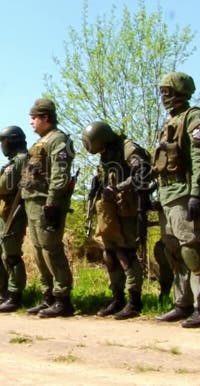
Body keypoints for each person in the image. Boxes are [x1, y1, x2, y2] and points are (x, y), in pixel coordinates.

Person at [152, 72, 200, 328]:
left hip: (184, 192)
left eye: (167, 91)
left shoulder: (194, 117)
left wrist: (196, 194)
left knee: (191, 249)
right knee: (172, 251)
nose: (164, 96)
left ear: (180, 91)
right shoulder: (168, 122)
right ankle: (182, 303)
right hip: (166, 193)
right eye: (162, 92)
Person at [82, 121, 153, 320]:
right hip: (109, 212)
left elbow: (143, 172)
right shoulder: (106, 154)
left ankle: (134, 301)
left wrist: (118, 188)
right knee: (110, 255)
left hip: (127, 210)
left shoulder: (127, 148)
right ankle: (117, 298)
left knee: (126, 255)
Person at [20, 98, 76, 318]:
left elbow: (60, 174)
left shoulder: (59, 140)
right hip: (32, 202)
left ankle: (63, 299)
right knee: (38, 251)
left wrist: (52, 202)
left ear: (45, 117)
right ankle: (48, 296)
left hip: (46, 203)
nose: (31, 122)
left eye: (34, 118)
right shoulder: (40, 142)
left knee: (51, 250)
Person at [0, 126, 29, 313]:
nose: (2, 145)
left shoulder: (21, 160)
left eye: (4, 141)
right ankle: (2, 292)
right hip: (1, 214)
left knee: (10, 256)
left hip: (13, 213)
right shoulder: (12, 162)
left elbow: (3, 186)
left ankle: (15, 295)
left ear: (12, 141)